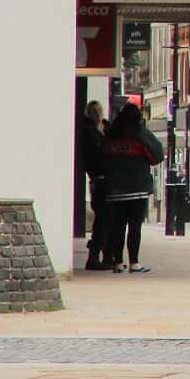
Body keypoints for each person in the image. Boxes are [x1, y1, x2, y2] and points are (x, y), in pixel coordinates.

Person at [99, 103, 164, 273]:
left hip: (115, 189)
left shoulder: (112, 136)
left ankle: (118, 262)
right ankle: (134, 262)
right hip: (137, 187)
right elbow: (156, 155)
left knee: (117, 226)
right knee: (135, 227)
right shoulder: (140, 134)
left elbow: (102, 158)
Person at [78, 101, 111, 271]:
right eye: (95, 111)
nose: (98, 113)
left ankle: (104, 254)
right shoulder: (90, 132)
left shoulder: (103, 128)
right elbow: (97, 154)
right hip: (99, 179)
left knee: (105, 219)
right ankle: (95, 256)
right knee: (102, 219)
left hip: (103, 179)